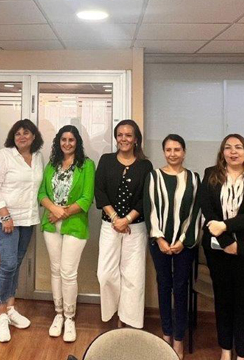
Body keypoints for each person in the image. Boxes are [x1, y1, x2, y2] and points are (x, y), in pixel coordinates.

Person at [199, 134, 244, 360]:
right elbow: (207, 210)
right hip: (218, 250)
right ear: (222, 153)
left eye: (238, 147)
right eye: (228, 148)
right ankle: (225, 350)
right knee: (222, 300)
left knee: (242, 303)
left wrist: (226, 226)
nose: (233, 151)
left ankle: (242, 354)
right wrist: (227, 242)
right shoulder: (211, 174)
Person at [143, 134, 201, 359]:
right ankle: (166, 334)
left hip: (184, 245)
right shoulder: (154, 177)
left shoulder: (194, 179)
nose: (173, 153)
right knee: (164, 285)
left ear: (184, 152)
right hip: (160, 243)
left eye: (177, 149)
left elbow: (196, 211)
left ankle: (179, 338)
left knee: (180, 288)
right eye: (168, 149)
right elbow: (150, 209)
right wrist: (159, 239)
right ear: (163, 152)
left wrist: (182, 241)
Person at [0, 119, 44, 342]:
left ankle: (11, 307)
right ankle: (1, 314)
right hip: (4, 218)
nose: (22, 136)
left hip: (27, 219)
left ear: (33, 136)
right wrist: (5, 215)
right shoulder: (4, 155)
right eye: (18, 133)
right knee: (8, 263)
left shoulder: (38, 157)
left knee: (17, 263)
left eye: (26, 133)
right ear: (13, 136)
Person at [38, 125, 95, 342]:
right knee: (55, 270)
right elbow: (42, 192)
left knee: (68, 272)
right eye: (64, 140)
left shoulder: (87, 165)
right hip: (51, 225)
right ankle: (58, 314)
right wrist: (53, 210)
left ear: (77, 142)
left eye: (71, 140)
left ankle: (70, 318)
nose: (67, 143)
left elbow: (87, 198)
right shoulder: (52, 165)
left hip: (75, 225)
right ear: (58, 142)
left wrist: (60, 213)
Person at [95, 119, 153, 329]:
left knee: (133, 275)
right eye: (120, 135)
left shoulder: (145, 165)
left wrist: (127, 219)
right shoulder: (106, 160)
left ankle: (127, 319)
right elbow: (99, 191)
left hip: (135, 227)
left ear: (136, 139)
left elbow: (145, 197)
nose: (124, 139)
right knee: (105, 273)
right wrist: (115, 219)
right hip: (109, 225)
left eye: (128, 135)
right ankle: (114, 310)